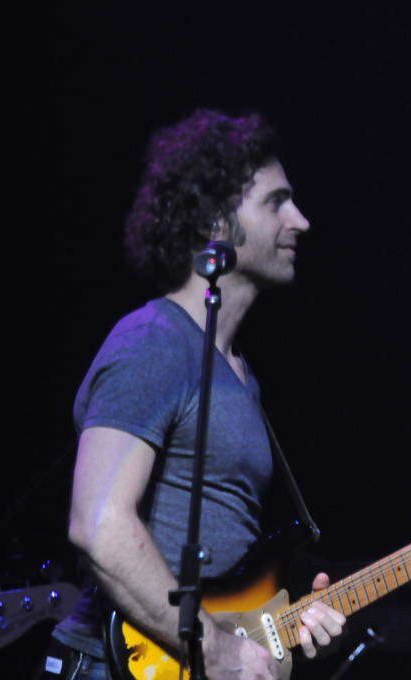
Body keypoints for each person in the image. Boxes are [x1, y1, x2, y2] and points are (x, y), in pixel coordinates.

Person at [47, 109, 345, 680]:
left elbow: (234, 578)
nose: (301, 221)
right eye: (276, 202)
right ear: (214, 221)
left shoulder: (239, 373)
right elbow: (98, 524)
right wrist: (217, 649)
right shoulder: (155, 342)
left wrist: (285, 626)